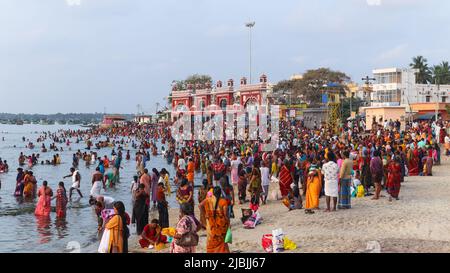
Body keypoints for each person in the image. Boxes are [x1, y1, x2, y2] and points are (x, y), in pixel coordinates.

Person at [199, 186, 230, 253]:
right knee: (222, 243)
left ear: (213, 193)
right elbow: (225, 215)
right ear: (220, 193)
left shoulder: (208, 200)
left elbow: (200, 205)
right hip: (221, 226)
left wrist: (204, 216)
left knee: (211, 241)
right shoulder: (223, 201)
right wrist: (228, 224)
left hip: (211, 225)